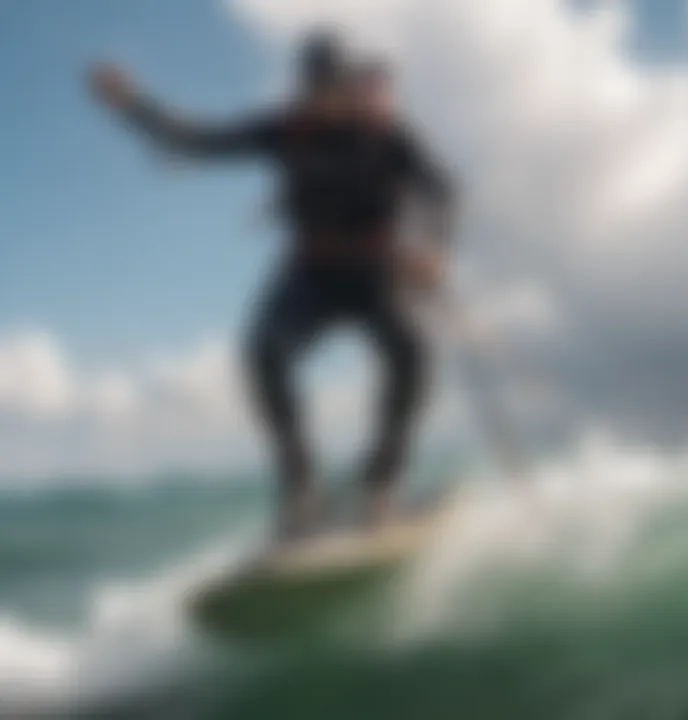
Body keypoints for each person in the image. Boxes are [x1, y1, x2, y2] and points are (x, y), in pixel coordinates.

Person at [88, 33, 454, 539]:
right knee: (264, 351)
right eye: (314, 87)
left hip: (375, 272)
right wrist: (131, 104)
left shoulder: (386, 135)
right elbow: (195, 140)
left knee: (411, 355)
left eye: (334, 85)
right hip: (312, 272)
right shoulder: (287, 130)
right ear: (303, 88)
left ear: (349, 84)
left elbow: (441, 190)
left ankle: (380, 483)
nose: (325, 97)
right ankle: (302, 488)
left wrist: (433, 248)